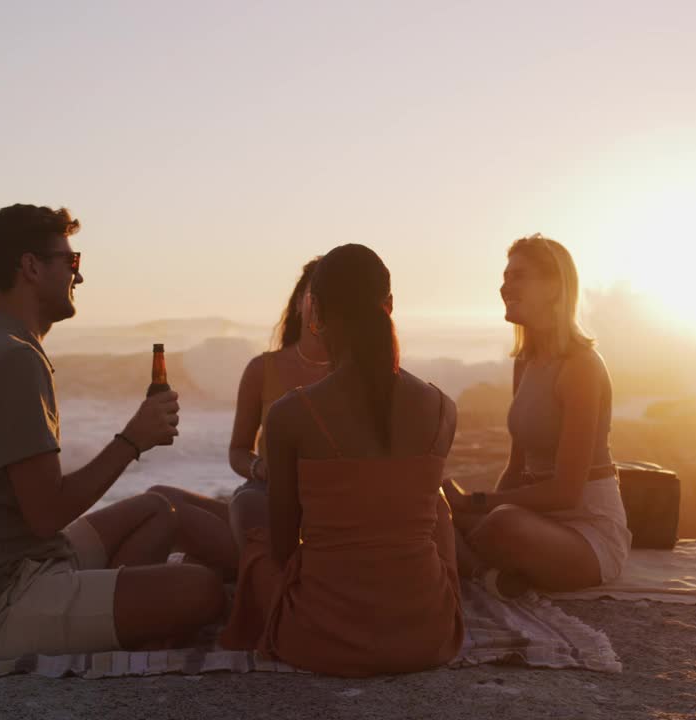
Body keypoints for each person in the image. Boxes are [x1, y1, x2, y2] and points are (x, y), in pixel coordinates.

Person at [0, 203, 224, 663]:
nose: (78, 277)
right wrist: (131, 440)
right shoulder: (13, 360)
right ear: (30, 267)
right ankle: (287, 583)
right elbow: (47, 514)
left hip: (25, 561)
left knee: (159, 510)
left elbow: (37, 520)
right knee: (203, 589)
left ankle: (129, 611)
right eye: (71, 261)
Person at [220, 243, 464, 677]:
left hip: (322, 639)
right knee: (435, 517)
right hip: (430, 635)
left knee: (257, 553)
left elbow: (282, 549)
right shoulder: (444, 408)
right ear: (389, 305)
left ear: (316, 315)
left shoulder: (291, 415)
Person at [443, 233, 632, 597]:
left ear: (553, 288)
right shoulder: (525, 363)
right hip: (536, 521)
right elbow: (516, 468)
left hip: (587, 532)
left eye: (518, 276)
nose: (504, 286)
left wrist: (477, 505)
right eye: (505, 276)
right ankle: (490, 578)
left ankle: (470, 565)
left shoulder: (581, 367)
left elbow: (566, 493)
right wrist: (470, 512)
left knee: (503, 524)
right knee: (432, 507)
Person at [147, 258, 329, 568]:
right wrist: (262, 469)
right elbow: (238, 451)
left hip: (330, 509)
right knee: (158, 499)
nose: (324, 306)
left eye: (335, 297)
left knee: (210, 546)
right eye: (316, 296)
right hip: (266, 499)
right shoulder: (263, 369)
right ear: (299, 303)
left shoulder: (357, 374)